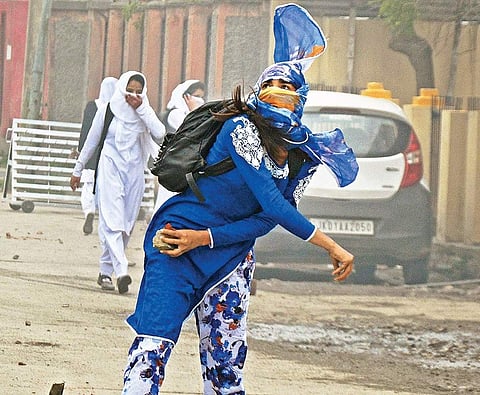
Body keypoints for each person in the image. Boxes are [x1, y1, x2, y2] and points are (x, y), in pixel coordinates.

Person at [122, 4, 357, 393]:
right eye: (270, 85)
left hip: (230, 256)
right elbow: (273, 203)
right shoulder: (240, 128)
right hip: (177, 238)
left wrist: (209, 239)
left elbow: (267, 219)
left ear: (302, 97)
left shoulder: (302, 154)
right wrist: (331, 246)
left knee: (226, 369)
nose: (276, 92)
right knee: (152, 347)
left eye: (287, 87)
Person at [70, 71, 165, 294]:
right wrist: (78, 171)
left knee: (126, 224)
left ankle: (105, 271)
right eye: (128, 90)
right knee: (111, 220)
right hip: (109, 166)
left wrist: (141, 108)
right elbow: (91, 141)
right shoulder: (108, 110)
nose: (132, 95)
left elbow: (159, 132)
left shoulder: (144, 111)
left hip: (134, 171)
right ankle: (121, 270)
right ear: (121, 88)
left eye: (138, 91)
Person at [153, 79, 207, 212]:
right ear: (185, 97)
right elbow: (193, 131)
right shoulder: (175, 113)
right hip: (174, 166)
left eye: (202, 97)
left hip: (187, 165)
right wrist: (195, 111)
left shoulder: (191, 114)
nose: (200, 100)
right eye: (197, 96)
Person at [76, 76, 117, 235]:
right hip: (110, 152)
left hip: (92, 152)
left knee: (88, 184)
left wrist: (81, 151)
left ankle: (89, 211)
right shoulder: (118, 108)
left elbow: (85, 130)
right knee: (107, 185)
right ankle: (107, 219)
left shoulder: (93, 106)